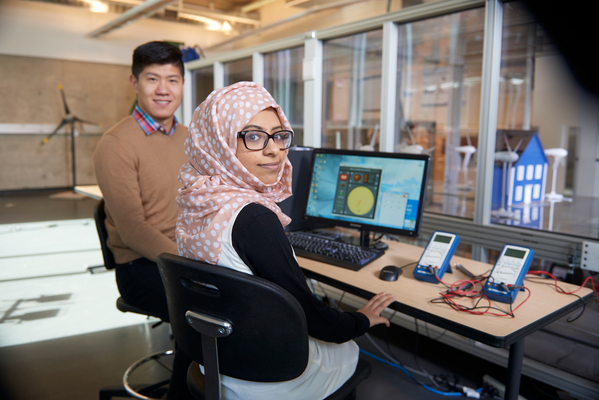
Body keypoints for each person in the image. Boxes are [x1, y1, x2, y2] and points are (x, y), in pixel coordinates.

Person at [176, 81, 396, 400]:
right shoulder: (253, 219)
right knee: (349, 350)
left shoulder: (196, 197)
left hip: (217, 358)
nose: (275, 149)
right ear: (219, 142)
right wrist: (359, 320)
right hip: (264, 376)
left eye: (279, 135)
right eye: (253, 136)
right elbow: (311, 318)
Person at [93, 41, 192, 399]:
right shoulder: (116, 144)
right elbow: (134, 230)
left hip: (182, 258)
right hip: (140, 266)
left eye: (173, 80)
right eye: (153, 79)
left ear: (182, 83)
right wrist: (193, 265)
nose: (163, 89)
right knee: (208, 311)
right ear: (134, 83)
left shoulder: (188, 138)